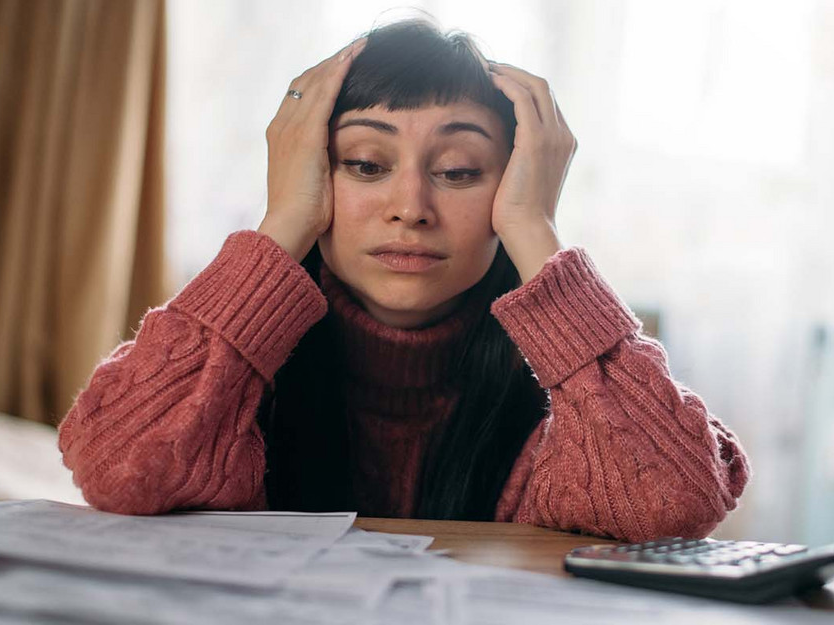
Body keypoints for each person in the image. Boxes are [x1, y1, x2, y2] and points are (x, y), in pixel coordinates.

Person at [58, 18, 750, 543]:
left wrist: (536, 229)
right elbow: (118, 467)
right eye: (365, 162)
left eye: (457, 171)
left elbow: (673, 503)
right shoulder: (246, 374)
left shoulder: (565, 389)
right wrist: (283, 221)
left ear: (512, 187)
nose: (410, 207)